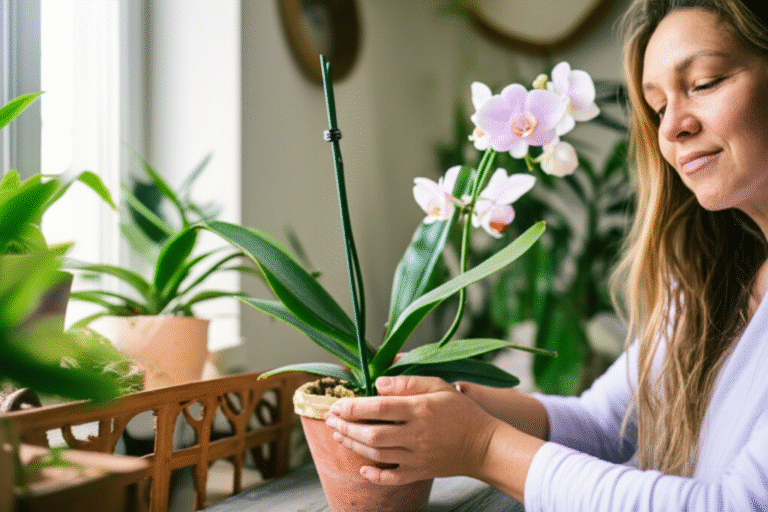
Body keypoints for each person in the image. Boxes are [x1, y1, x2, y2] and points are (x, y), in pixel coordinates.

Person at [325, 0, 768, 509]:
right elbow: (605, 422)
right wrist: (445, 400)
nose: (671, 129)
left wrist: (481, 445)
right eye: (658, 107)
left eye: (705, 83)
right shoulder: (712, 282)